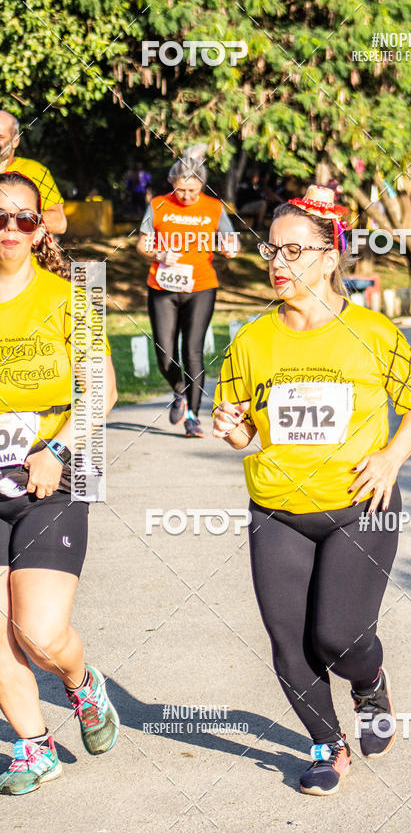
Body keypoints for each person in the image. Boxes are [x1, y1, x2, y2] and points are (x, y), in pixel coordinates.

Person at [212, 185, 411, 795]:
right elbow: (245, 428)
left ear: (330, 256)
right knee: (289, 644)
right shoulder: (252, 339)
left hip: (359, 506)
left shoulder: (371, 331)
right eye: (271, 250)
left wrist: (392, 456)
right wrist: (235, 430)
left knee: (338, 637)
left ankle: (370, 683)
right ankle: (326, 744)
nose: (277, 263)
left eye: (293, 251)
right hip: (278, 509)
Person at [0, 172, 119, 796]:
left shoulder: (70, 297)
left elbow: (104, 387)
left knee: (38, 633)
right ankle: (33, 745)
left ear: (40, 227)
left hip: (52, 473)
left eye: (24, 218)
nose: (12, 229)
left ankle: (82, 686)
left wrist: (57, 448)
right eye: (0, 218)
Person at [136, 146, 238, 437]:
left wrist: (230, 248)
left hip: (201, 286)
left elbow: (231, 241)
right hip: (162, 286)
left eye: (193, 190)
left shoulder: (214, 208)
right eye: (181, 190)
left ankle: (193, 417)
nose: (187, 197)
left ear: (201, 186)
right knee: (164, 354)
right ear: (172, 183)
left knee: (192, 352)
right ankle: (179, 389)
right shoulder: (158, 205)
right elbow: (142, 245)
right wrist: (159, 254)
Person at [0, 111, 67, 236]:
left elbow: (59, 222)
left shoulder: (36, 171)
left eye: (0, 137)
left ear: (15, 141)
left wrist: (17, 220)